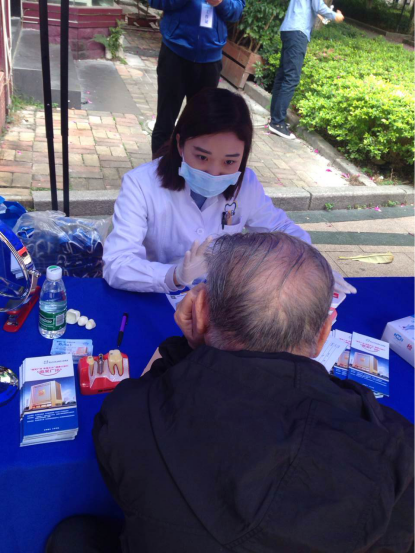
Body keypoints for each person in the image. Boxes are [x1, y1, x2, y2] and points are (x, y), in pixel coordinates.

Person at [47, 232, 415, 553]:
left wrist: (189, 345)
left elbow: (136, 407)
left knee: (73, 536)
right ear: (323, 335)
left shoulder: (131, 414)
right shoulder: (393, 447)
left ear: (200, 309)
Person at [103, 87, 354, 296]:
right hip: (154, 297)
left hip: (219, 301)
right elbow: (117, 264)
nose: (214, 172)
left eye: (230, 161)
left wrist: (310, 261)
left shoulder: (246, 184)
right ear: (180, 144)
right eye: (202, 157)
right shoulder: (141, 185)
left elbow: (280, 228)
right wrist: (175, 275)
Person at [149, 0, 245, 157]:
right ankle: (158, 170)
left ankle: (190, 170)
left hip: (210, 61)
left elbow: (237, 11)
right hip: (175, 53)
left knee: (200, 128)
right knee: (165, 122)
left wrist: (220, 3)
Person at [269, 0, 344, 139]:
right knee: (291, 78)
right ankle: (277, 123)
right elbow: (318, 6)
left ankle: (275, 119)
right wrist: (335, 16)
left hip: (288, 29)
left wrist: (320, 15)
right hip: (298, 32)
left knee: (283, 76)